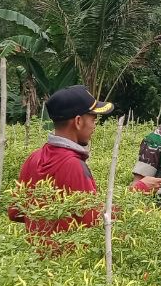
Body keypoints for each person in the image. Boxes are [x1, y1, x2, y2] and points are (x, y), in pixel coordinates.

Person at [8, 84, 113, 256]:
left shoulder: (33, 158)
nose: (95, 125)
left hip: (35, 260)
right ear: (78, 121)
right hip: (68, 265)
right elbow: (94, 221)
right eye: (93, 118)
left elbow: (15, 211)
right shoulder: (74, 165)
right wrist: (137, 191)